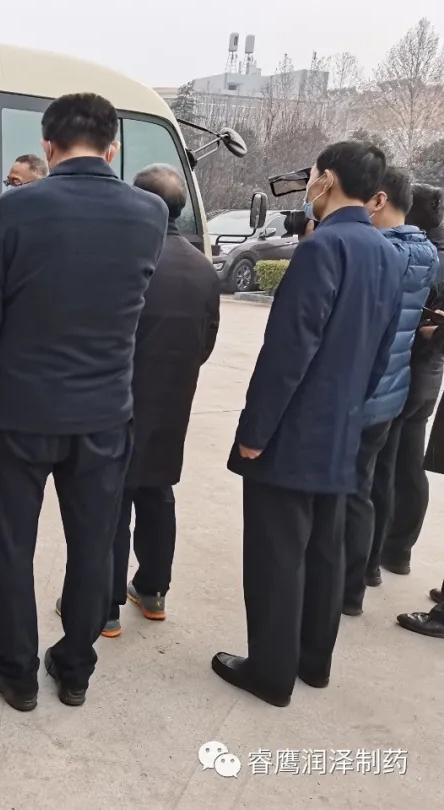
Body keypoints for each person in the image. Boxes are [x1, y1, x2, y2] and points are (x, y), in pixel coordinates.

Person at [0, 92, 168, 711]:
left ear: (48, 146)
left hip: (20, 413)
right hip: (104, 414)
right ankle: (75, 669)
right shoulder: (149, 214)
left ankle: (17, 671)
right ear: (113, 148)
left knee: (10, 544)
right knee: (94, 544)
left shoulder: (14, 210)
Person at [215, 141, 403, 708]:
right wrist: (354, 411)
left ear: (327, 180)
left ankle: (270, 672)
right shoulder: (385, 252)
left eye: (313, 175)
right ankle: (313, 662)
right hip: (344, 426)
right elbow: (381, 353)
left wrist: (254, 432)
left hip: (294, 431)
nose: (309, 185)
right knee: (324, 549)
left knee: (277, 554)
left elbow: (288, 352)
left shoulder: (322, 248)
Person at [72, 164, 220, 639]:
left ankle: (106, 607)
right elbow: (206, 341)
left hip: (117, 398)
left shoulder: (124, 257)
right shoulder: (202, 267)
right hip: (173, 399)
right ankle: (153, 591)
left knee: (111, 499)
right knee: (158, 492)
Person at [342, 169, 436, 615]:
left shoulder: (381, 251)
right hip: (396, 385)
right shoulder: (425, 252)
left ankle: (347, 584)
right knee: (372, 483)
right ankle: (370, 571)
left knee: (349, 491)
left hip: (366, 387)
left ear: (378, 200)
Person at [377, 184, 444, 576]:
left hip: (411, 365)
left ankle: (381, 550)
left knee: (388, 465)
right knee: (410, 464)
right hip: (431, 373)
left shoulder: (421, 253)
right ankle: (399, 551)